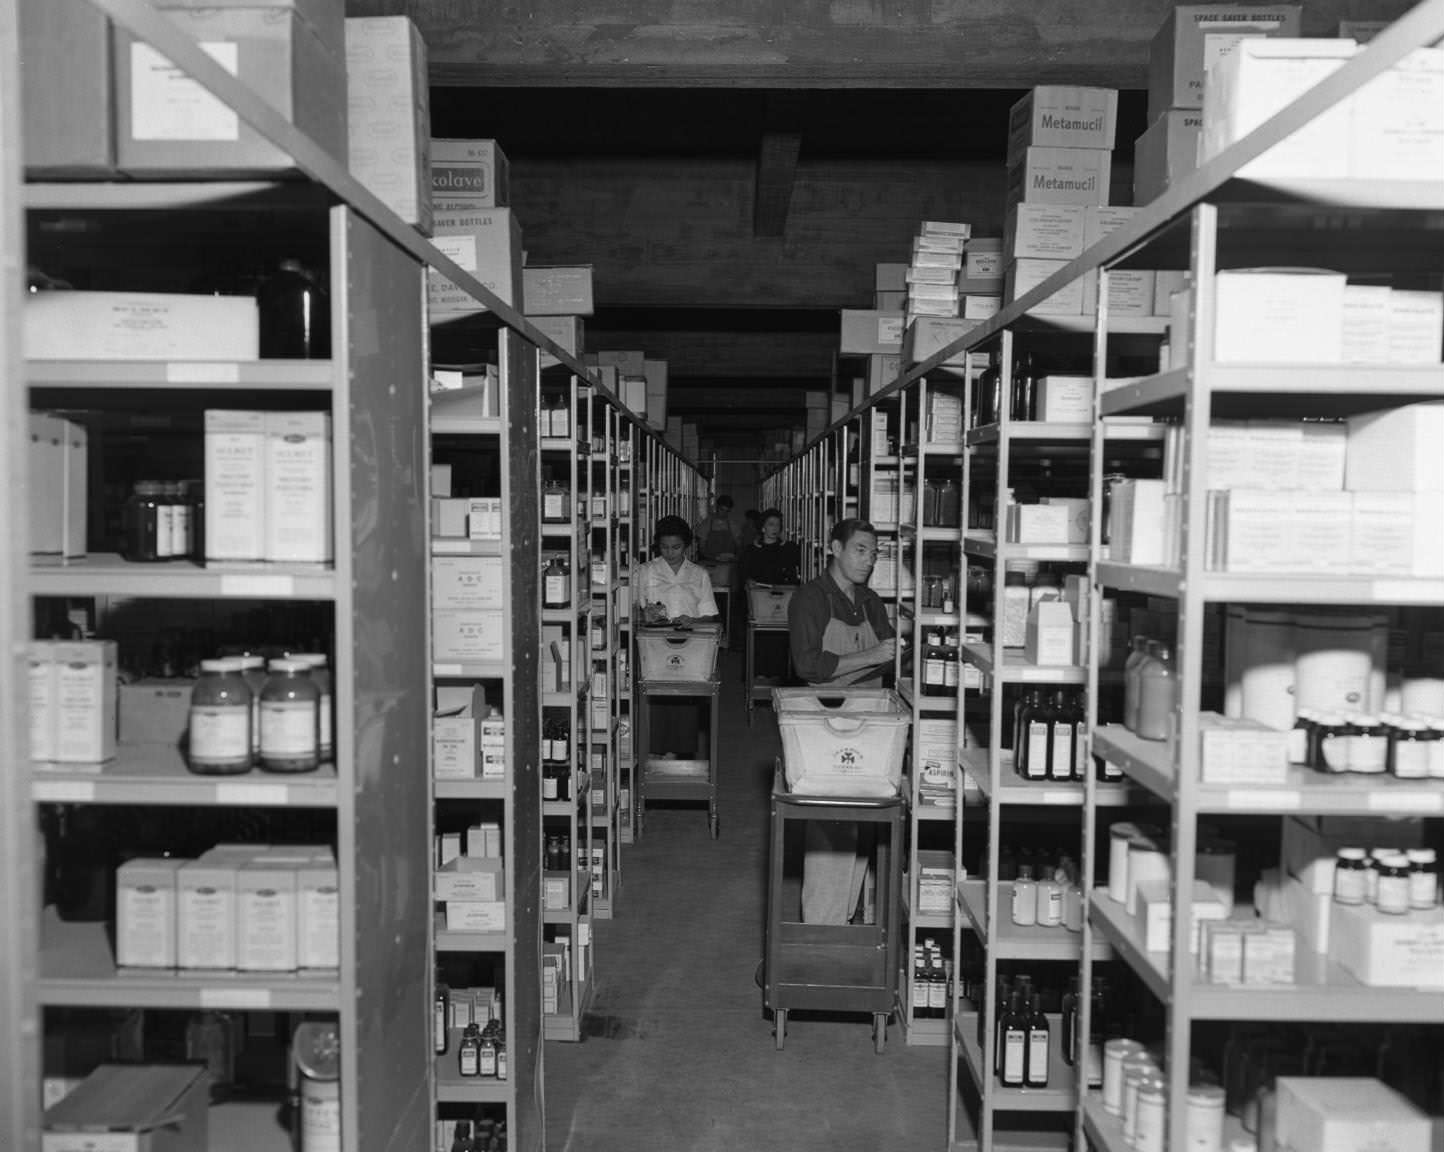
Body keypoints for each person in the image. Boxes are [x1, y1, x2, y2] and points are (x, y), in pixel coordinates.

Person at [787, 519, 897, 924]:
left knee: (862, 826)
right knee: (830, 828)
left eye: (874, 553)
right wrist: (870, 657)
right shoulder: (810, 598)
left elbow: (889, 653)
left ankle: (846, 921)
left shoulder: (870, 601)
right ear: (835, 547)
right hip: (826, 724)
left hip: (871, 723)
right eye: (860, 550)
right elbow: (808, 665)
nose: (868, 560)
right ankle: (821, 929)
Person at [635, 516, 719, 756]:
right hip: (653, 645)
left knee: (684, 700)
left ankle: (679, 754)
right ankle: (654, 753)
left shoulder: (699, 574)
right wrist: (644, 614)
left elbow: (709, 614)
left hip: (689, 644)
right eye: (664, 547)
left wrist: (692, 620)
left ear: (687, 546)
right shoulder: (646, 571)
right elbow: (635, 612)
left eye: (676, 547)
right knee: (655, 699)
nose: (670, 553)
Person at [741, 509, 802, 682]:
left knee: (780, 641)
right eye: (771, 524)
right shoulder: (751, 550)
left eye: (778, 525)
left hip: (782, 604)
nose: (775, 528)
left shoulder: (789, 549)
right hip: (760, 605)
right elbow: (744, 575)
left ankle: (779, 676)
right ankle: (757, 675)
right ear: (762, 528)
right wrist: (749, 581)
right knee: (761, 641)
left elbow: (795, 575)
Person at [694, 495, 740, 564]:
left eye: (727, 511)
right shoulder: (706, 524)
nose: (724, 514)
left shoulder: (732, 525)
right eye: (722, 510)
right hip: (709, 563)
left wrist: (736, 557)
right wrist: (714, 557)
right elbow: (701, 547)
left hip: (728, 564)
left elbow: (739, 545)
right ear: (717, 507)